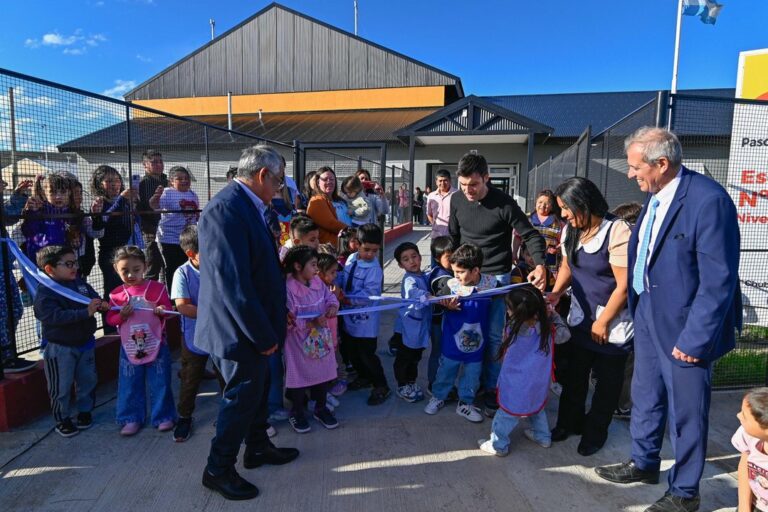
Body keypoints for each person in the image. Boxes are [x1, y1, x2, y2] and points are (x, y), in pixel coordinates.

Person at [596, 127, 742, 512]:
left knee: (686, 411)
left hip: (686, 326)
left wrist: (696, 340)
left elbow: (719, 280)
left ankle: (685, 491)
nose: (630, 175)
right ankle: (644, 463)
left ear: (661, 163)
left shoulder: (709, 201)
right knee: (646, 394)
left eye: (634, 167)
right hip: (647, 314)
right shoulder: (655, 198)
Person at [196, 145, 298, 501]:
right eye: (279, 180)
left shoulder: (250, 206)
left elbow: (259, 270)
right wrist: (262, 334)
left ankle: (256, 448)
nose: (280, 188)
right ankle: (218, 469)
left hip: (255, 324)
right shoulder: (226, 210)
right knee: (240, 399)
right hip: (238, 330)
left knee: (257, 391)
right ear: (261, 176)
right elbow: (233, 284)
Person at [448, 152, 547, 415]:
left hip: (497, 278)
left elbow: (531, 235)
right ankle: (466, 384)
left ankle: (492, 387)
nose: (468, 190)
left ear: (486, 179)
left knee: (493, 336)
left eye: (474, 185)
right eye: (464, 184)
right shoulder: (457, 200)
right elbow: (453, 238)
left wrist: (540, 265)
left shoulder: (504, 203)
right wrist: (450, 274)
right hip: (467, 279)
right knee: (466, 332)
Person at [547, 177, 632, 457]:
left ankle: (595, 432)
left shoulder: (617, 231)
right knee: (574, 377)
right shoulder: (571, 230)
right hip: (581, 319)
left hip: (612, 324)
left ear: (583, 202)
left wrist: (604, 321)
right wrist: (556, 293)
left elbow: (623, 285)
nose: (563, 215)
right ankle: (568, 423)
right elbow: (568, 267)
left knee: (607, 384)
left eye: (566, 208)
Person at [478, 285, 570, 456]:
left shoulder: (513, 328)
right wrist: (553, 315)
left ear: (518, 312)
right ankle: (543, 437)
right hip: (539, 382)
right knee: (536, 407)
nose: (507, 311)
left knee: (506, 414)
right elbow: (565, 336)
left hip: (516, 384)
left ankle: (498, 445)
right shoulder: (548, 328)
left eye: (509, 308)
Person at [33, 245, 109, 437]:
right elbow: (54, 317)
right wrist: (85, 312)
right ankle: (62, 418)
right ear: (49, 269)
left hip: (85, 343)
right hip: (60, 348)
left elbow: (93, 297)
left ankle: (84, 412)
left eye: (74, 262)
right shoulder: (46, 292)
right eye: (68, 264)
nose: (74, 267)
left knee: (88, 380)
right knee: (61, 386)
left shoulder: (80, 284)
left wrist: (100, 304)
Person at [106, 245, 176, 436]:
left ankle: (163, 416)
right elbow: (110, 320)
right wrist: (121, 316)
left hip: (157, 343)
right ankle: (131, 418)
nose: (130, 275)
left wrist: (162, 310)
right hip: (128, 347)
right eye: (124, 271)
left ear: (145, 266)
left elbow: (169, 311)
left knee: (160, 381)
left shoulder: (158, 288)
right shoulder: (116, 295)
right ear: (116, 269)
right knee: (129, 383)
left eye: (136, 270)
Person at [424, 243, 494, 423]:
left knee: (472, 375)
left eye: (461, 272)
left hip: (477, 343)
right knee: (446, 371)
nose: (456, 275)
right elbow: (432, 297)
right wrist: (444, 303)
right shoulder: (451, 285)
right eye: (454, 271)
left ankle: (465, 403)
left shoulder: (491, 284)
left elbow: (505, 299)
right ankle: (438, 396)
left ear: (476, 270)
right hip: (451, 342)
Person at [171, 225, 223, 442]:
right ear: (191, 254)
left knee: (225, 375)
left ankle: (228, 412)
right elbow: (182, 306)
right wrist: (212, 313)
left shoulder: (219, 268)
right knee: (190, 378)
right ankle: (184, 416)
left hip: (220, 335)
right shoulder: (182, 273)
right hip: (194, 337)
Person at [282, 245, 340, 433]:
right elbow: (287, 319)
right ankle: (296, 412)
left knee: (322, 375)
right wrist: (310, 323)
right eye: (313, 265)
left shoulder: (317, 283)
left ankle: (320, 408)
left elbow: (330, 297)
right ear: (298, 267)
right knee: (299, 380)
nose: (317, 269)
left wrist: (332, 306)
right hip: (298, 344)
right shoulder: (288, 289)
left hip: (320, 340)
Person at [340, 223, 390, 406]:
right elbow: (344, 280)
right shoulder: (351, 259)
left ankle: (381, 385)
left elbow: (368, 296)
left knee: (367, 355)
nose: (370, 254)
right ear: (356, 244)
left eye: (374, 251)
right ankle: (364, 377)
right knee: (352, 352)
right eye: (366, 249)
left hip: (365, 320)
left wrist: (347, 300)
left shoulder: (374, 270)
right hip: (349, 316)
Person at [609, 201, 643, 420]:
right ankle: (621, 404)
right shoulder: (626, 248)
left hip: (631, 317)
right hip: (625, 318)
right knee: (626, 364)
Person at [90, 165, 141, 307]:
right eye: (109, 181)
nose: (114, 184)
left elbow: (136, 223)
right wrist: (123, 199)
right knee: (113, 292)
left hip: (127, 251)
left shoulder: (125, 202)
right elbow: (106, 220)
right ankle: (110, 327)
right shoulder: (100, 202)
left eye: (117, 180)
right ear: (99, 184)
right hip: (110, 254)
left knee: (130, 291)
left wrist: (136, 205)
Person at [392, 242, 430, 403]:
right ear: (401, 265)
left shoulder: (423, 276)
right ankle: (402, 385)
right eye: (406, 259)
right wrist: (425, 295)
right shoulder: (409, 280)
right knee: (405, 357)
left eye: (414, 256)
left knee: (415, 357)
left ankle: (411, 382)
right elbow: (412, 292)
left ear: (420, 257)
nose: (412, 261)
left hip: (420, 327)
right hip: (408, 328)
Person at [150, 165, 200, 286]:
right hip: (169, 238)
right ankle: (173, 298)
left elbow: (195, 213)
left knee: (187, 265)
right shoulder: (168, 193)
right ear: (171, 181)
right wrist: (156, 197)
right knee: (172, 267)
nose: (184, 181)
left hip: (187, 238)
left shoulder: (192, 194)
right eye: (179, 178)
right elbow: (154, 206)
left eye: (186, 178)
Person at [21, 173, 73, 263]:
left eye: (63, 192)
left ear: (69, 193)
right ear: (44, 193)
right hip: (40, 261)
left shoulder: (69, 212)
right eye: (52, 192)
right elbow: (28, 231)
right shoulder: (39, 210)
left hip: (61, 260)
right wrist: (33, 213)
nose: (58, 196)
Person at [425, 236, 455, 394]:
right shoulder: (442, 277)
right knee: (439, 353)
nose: (453, 261)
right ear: (437, 258)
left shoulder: (443, 271)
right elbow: (448, 296)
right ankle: (434, 384)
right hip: (439, 322)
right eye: (449, 258)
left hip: (441, 322)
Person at [317, 252, 347, 397]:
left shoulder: (331, 288)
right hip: (321, 337)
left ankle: (340, 381)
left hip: (333, 335)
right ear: (320, 273)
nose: (335, 276)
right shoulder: (316, 290)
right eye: (332, 272)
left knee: (336, 359)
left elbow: (335, 305)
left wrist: (337, 298)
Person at [733, 388, 768, 512]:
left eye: (744, 416)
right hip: (755, 505)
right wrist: (744, 508)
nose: (738, 415)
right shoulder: (747, 436)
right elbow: (745, 467)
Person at [521, 189, 563, 288]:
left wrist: (557, 249)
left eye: (547, 203)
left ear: (552, 206)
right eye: (540, 202)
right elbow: (518, 237)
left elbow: (563, 242)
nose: (543, 205)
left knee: (546, 286)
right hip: (529, 259)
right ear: (535, 202)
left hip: (550, 262)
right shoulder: (527, 219)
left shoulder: (558, 222)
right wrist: (514, 253)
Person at [138, 149, 168, 282]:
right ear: (145, 165)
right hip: (151, 230)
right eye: (154, 162)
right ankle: (150, 299)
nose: (159, 165)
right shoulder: (143, 183)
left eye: (160, 161)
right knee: (152, 266)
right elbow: (142, 208)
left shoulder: (167, 181)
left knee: (167, 265)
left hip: (168, 230)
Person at [307, 167, 348, 246]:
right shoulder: (316, 201)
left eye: (332, 179)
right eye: (325, 179)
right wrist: (353, 232)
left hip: (345, 245)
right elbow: (331, 224)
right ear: (318, 182)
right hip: (329, 248)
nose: (329, 182)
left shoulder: (341, 200)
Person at [426, 169, 456, 239]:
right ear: (436, 182)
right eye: (440, 181)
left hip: (452, 235)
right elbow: (429, 213)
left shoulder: (457, 194)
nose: (442, 183)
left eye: (445, 180)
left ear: (450, 181)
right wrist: (434, 224)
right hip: (436, 235)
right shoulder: (431, 196)